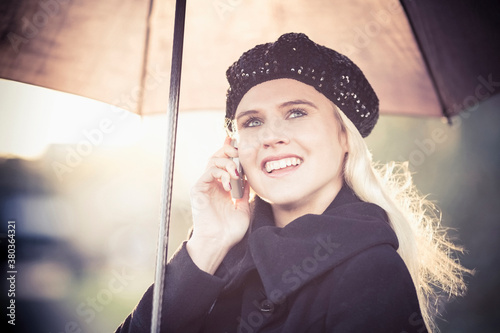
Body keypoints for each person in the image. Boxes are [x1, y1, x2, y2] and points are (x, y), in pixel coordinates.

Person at [116, 33, 469, 333]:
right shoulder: (219, 258)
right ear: (234, 149)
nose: (271, 136)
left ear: (344, 136)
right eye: (252, 122)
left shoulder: (372, 271)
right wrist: (208, 243)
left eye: (296, 113)